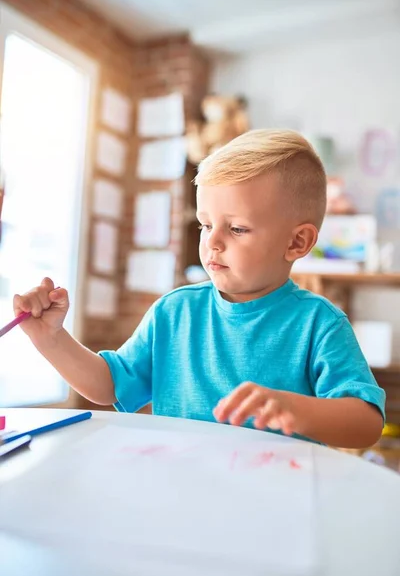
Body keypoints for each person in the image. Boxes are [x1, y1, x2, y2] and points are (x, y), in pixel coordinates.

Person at [14, 129, 385, 448]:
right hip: (183, 495)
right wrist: (51, 338)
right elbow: (108, 386)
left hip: (274, 506)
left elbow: (366, 423)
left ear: (297, 243)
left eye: (236, 228)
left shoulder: (319, 323)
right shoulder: (173, 312)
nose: (213, 243)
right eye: (206, 225)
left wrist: (296, 409)